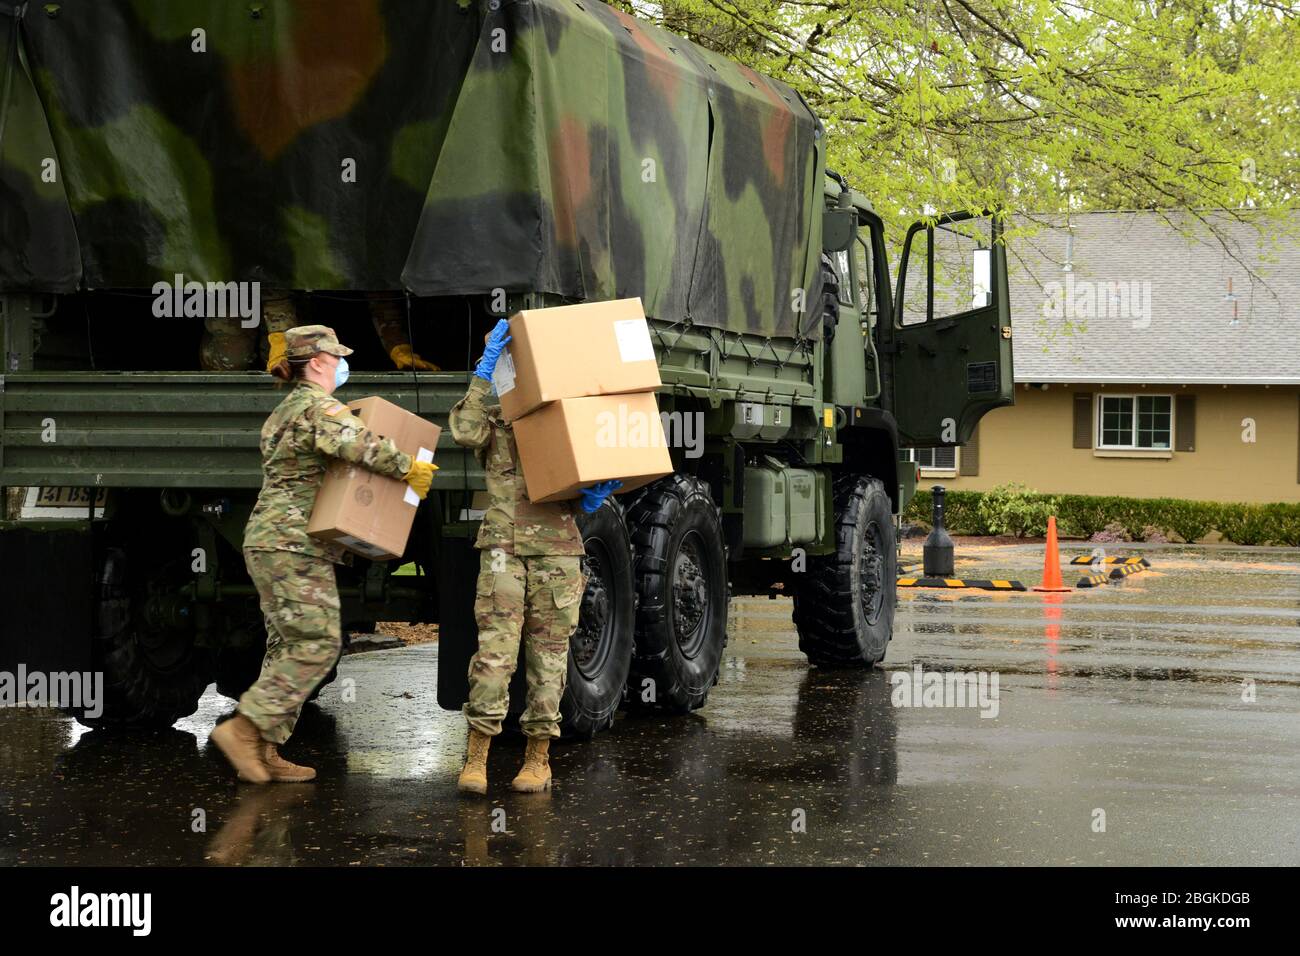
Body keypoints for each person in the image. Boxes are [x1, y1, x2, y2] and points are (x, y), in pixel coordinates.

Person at [210, 324, 438, 783]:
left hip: (274, 540)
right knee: (318, 643)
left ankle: (266, 748)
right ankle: (246, 727)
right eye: (336, 358)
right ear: (316, 361)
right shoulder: (317, 407)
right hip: (291, 542)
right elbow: (361, 445)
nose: (340, 366)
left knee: (286, 645)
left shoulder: (285, 410)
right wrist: (409, 466)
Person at [450, 318, 620, 794]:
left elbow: (601, 457)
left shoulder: (565, 410)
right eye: (497, 357)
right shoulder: (494, 415)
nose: (504, 364)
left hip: (557, 551)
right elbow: (463, 432)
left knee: (547, 659)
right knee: (494, 655)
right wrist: (482, 376)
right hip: (504, 548)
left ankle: (538, 760)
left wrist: (594, 495)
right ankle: (477, 759)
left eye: (506, 357)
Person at [200, 291, 439, 372]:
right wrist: (280, 340)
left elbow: (380, 288)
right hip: (241, 284)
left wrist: (398, 346)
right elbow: (270, 274)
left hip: (298, 292)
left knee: (291, 368)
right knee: (232, 358)